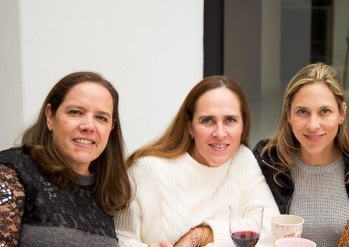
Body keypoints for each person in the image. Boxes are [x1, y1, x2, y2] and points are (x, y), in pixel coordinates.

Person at [115, 75, 279, 247]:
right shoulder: (146, 169)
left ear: (243, 125)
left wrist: (203, 234)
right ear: (189, 127)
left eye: (230, 120)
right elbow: (119, 238)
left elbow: (271, 227)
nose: (220, 133)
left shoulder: (242, 158)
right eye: (207, 120)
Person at [0, 71, 132, 246]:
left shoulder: (109, 192)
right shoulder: (12, 170)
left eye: (101, 118)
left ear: (111, 127)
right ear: (50, 116)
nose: (88, 126)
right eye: (76, 112)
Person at [253, 63, 349, 247]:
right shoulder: (268, 160)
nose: (313, 125)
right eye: (302, 112)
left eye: (324, 111)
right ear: (288, 114)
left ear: (342, 113)